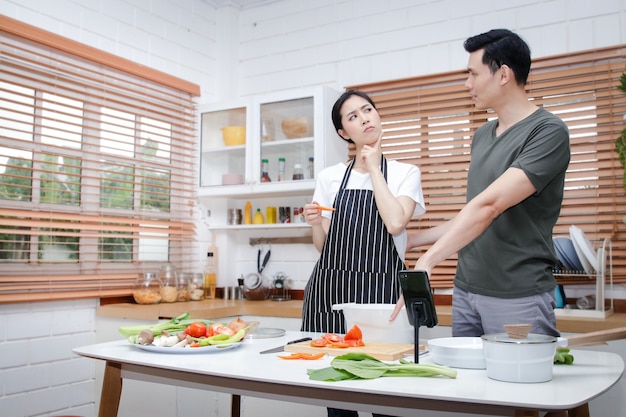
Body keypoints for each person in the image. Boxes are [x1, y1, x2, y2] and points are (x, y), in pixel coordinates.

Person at [390, 29, 570, 339]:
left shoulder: (548, 132)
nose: (467, 84)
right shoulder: (482, 136)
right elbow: (472, 214)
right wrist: (413, 240)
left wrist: (429, 259)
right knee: (470, 386)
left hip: (517, 294)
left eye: (473, 74)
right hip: (466, 291)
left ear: (502, 74)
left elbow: (490, 206)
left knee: (519, 385)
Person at [301, 90, 425, 417]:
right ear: (344, 133)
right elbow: (323, 246)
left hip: (382, 293)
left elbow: (396, 223)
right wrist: (315, 223)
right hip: (331, 291)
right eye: (353, 116)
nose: (365, 118)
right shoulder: (329, 177)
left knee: (387, 393)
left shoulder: (404, 172)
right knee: (338, 395)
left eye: (367, 110)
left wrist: (373, 170)